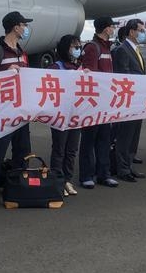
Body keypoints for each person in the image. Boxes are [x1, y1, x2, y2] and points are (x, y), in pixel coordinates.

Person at [0, 11, 33, 207]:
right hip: (1, 112)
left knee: (23, 151)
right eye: (24, 25)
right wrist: (5, 74)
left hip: (21, 111)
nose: (26, 29)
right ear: (15, 27)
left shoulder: (21, 52)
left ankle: (17, 185)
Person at [78, 17, 118, 189]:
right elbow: (90, 77)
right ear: (106, 28)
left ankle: (103, 174)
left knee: (104, 139)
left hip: (105, 102)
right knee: (89, 140)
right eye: (112, 27)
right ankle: (86, 175)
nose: (113, 29)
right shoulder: (93, 47)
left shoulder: (106, 47)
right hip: (94, 103)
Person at [111, 19, 146, 183]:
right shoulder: (122, 50)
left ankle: (129, 165)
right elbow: (123, 76)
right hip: (129, 100)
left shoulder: (135, 49)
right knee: (125, 136)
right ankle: (123, 169)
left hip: (138, 100)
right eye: (141, 30)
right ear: (132, 31)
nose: (143, 33)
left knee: (134, 136)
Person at [49, 35, 86, 195]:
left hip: (76, 114)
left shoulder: (80, 67)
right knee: (59, 149)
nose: (78, 49)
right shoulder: (56, 67)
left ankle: (67, 180)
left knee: (71, 150)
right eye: (74, 47)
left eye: (79, 46)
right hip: (60, 115)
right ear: (66, 48)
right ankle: (57, 180)